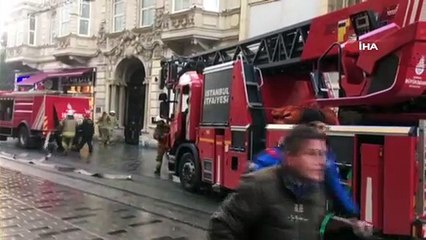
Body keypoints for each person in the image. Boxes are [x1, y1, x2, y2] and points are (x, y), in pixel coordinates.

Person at [209, 125, 330, 239]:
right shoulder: (260, 185)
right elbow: (221, 225)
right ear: (290, 158)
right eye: (312, 153)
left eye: (323, 154)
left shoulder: (317, 192)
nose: (321, 161)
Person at [249, 108, 359, 217]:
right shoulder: (279, 154)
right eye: (320, 127)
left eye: (325, 127)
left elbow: (335, 186)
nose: (325, 131)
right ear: (308, 128)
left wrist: (353, 212)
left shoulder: (325, 155)